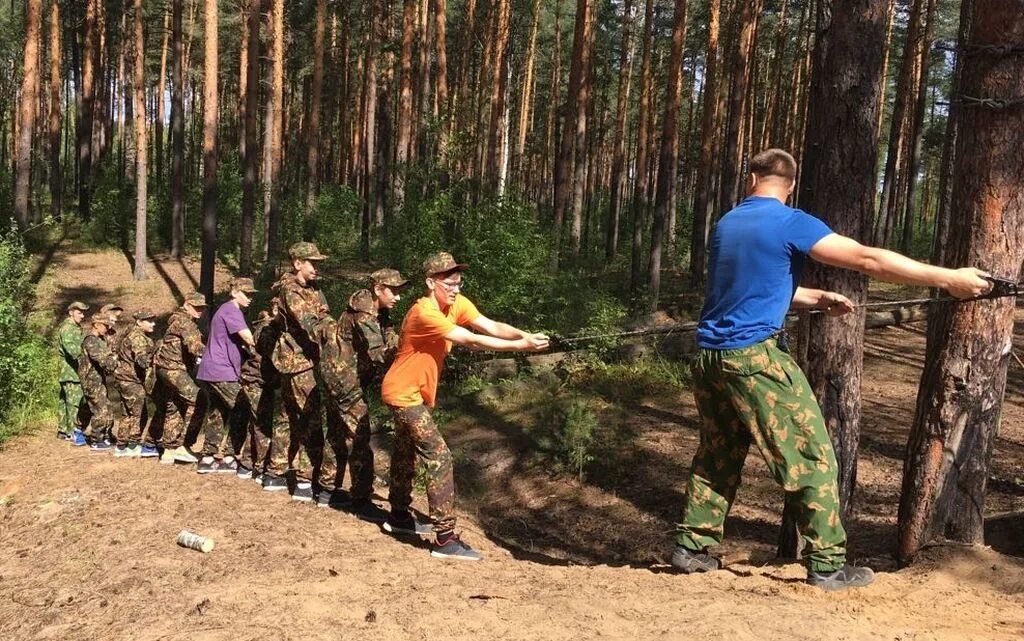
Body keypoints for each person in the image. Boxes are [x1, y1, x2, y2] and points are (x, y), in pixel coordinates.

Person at [671, 148, 992, 591]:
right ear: (791, 185)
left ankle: (692, 546)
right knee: (812, 456)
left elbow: (750, 288)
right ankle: (827, 565)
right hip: (754, 360)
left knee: (719, 452)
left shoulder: (728, 225)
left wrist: (813, 296)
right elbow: (866, 259)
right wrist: (947, 277)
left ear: (751, 179)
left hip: (710, 358)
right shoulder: (789, 221)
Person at [380, 252, 549, 561]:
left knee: (406, 452)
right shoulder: (424, 312)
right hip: (402, 394)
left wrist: (525, 336)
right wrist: (520, 347)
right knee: (439, 456)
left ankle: (399, 516)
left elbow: (490, 326)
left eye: (458, 281)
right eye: (449, 282)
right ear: (431, 283)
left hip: (412, 394)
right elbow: (469, 340)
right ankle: (444, 539)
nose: (456, 287)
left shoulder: (457, 304)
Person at [314, 268, 409, 515]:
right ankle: (361, 498)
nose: (398, 297)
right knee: (359, 434)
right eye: (394, 291)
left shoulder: (380, 312)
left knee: (337, 431)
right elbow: (379, 351)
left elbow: (391, 339)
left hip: (344, 376)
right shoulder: (364, 314)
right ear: (378, 289)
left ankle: (326, 489)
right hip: (344, 378)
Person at [270, 242, 332, 501]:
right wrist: (338, 338)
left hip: (304, 360)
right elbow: (311, 325)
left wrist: (333, 328)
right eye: (312, 263)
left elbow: (325, 316)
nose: (317, 268)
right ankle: (306, 481)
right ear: (298, 263)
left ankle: (274, 472)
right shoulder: (291, 290)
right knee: (310, 417)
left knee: (288, 416)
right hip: (296, 362)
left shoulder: (314, 289)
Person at [195, 278, 258, 474]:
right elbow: (248, 337)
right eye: (246, 294)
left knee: (219, 411)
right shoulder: (231, 310)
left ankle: (207, 458)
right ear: (234, 293)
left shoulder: (226, 310)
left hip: (212, 370)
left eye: (252, 295)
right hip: (222, 370)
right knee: (243, 408)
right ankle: (230, 456)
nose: (250, 298)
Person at [151, 292, 207, 465]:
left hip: (164, 369)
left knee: (174, 405)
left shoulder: (177, 320)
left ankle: (169, 450)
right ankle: (184, 443)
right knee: (199, 399)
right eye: (196, 307)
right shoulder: (185, 322)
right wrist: (216, 356)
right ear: (187, 304)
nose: (200, 311)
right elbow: (195, 347)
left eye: (202, 308)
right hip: (173, 369)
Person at [235, 309, 278, 482]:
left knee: (257, 423)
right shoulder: (267, 328)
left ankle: (247, 464)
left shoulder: (269, 327)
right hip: (256, 380)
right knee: (262, 423)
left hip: (261, 380)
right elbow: (271, 355)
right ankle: (258, 467)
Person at [112, 309, 158, 458]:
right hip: (131, 380)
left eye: (153, 320)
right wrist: (150, 363)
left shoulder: (135, 334)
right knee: (138, 413)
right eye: (149, 321)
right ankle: (133, 444)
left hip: (124, 378)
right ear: (139, 322)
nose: (153, 324)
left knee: (127, 413)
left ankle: (121, 446)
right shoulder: (138, 337)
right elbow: (141, 357)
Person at [78, 314, 120, 450]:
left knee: (107, 408)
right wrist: (114, 361)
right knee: (100, 410)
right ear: (96, 325)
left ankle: (104, 436)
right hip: (91, 382)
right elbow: (102, 360)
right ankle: (96, 439)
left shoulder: (98, 339)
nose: (107, 329)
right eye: (105, 325)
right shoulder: (91, 340)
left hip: (98, 380)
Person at [57, 301, 89, 443]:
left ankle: (63, 430)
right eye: (79, 312)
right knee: (74, 402)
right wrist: (87, 359)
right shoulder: (68, 328)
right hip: (71, 372)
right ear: (71, 312)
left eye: (83, 313)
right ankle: (72, 432)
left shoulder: (74, 327)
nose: (82, 315)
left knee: (66, 401)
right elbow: (72, 350)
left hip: (70, 372)